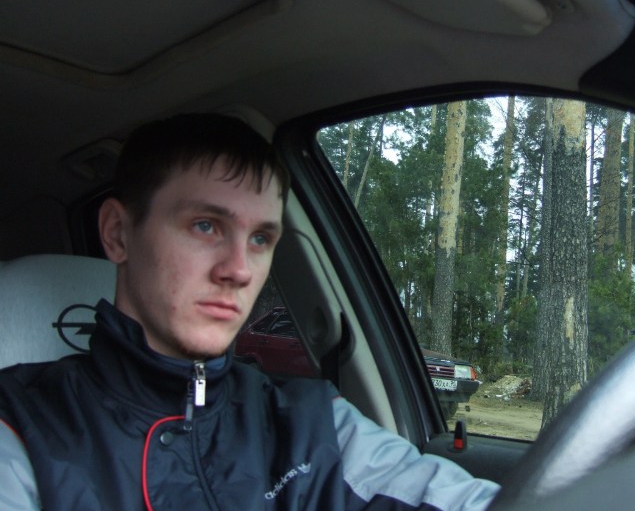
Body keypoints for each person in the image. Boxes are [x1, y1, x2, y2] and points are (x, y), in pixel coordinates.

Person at [0, 114, 499, 510]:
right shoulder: (21, 428)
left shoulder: (311, 422)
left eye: (260, 238)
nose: (239, 270)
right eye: (205, 225)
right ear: (117, 233)